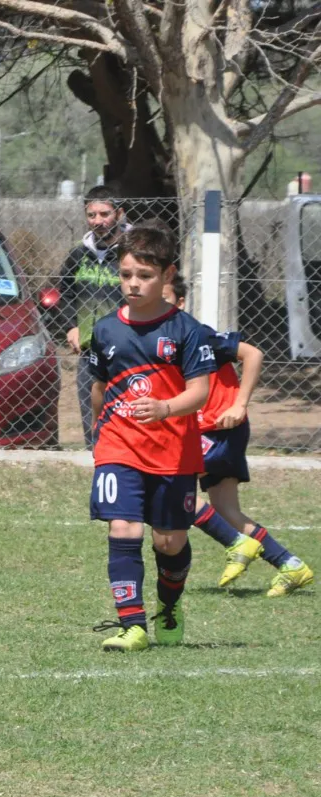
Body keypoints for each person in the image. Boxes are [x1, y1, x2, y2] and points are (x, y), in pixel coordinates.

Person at [87, 222, 215, 652]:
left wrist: (164, 408)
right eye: (126, 275)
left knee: (169, 542)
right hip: (118, 445)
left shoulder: (187, 330)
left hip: (173, 452)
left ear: (167, 275)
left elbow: (200, 392)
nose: (134, 284)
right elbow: (100, 386)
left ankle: (170, 606)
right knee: (122, 528)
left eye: (144, 276)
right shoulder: (105, 329)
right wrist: (97, 428)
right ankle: (133, 626)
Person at [162, 278, 313, 597]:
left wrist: (239, 403)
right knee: (226, 509)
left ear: (180, 303)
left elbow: (253, 355)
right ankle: (290, 564)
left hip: (221, 430)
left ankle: (237, 545)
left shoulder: (199, 335)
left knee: (170, 487)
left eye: (164, 298)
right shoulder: (158, 341)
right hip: (204, 431)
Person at [56, 186, 129, 448]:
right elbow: (64, 293)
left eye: (104, 214)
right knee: (91, 415)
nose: (97, 221)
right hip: (89, 349)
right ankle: (95, 459)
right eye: (91, 215)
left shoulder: (132, 251)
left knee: (126, 412)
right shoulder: (78, 253)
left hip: (127, 348)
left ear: (119, 214)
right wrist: (71, 326)